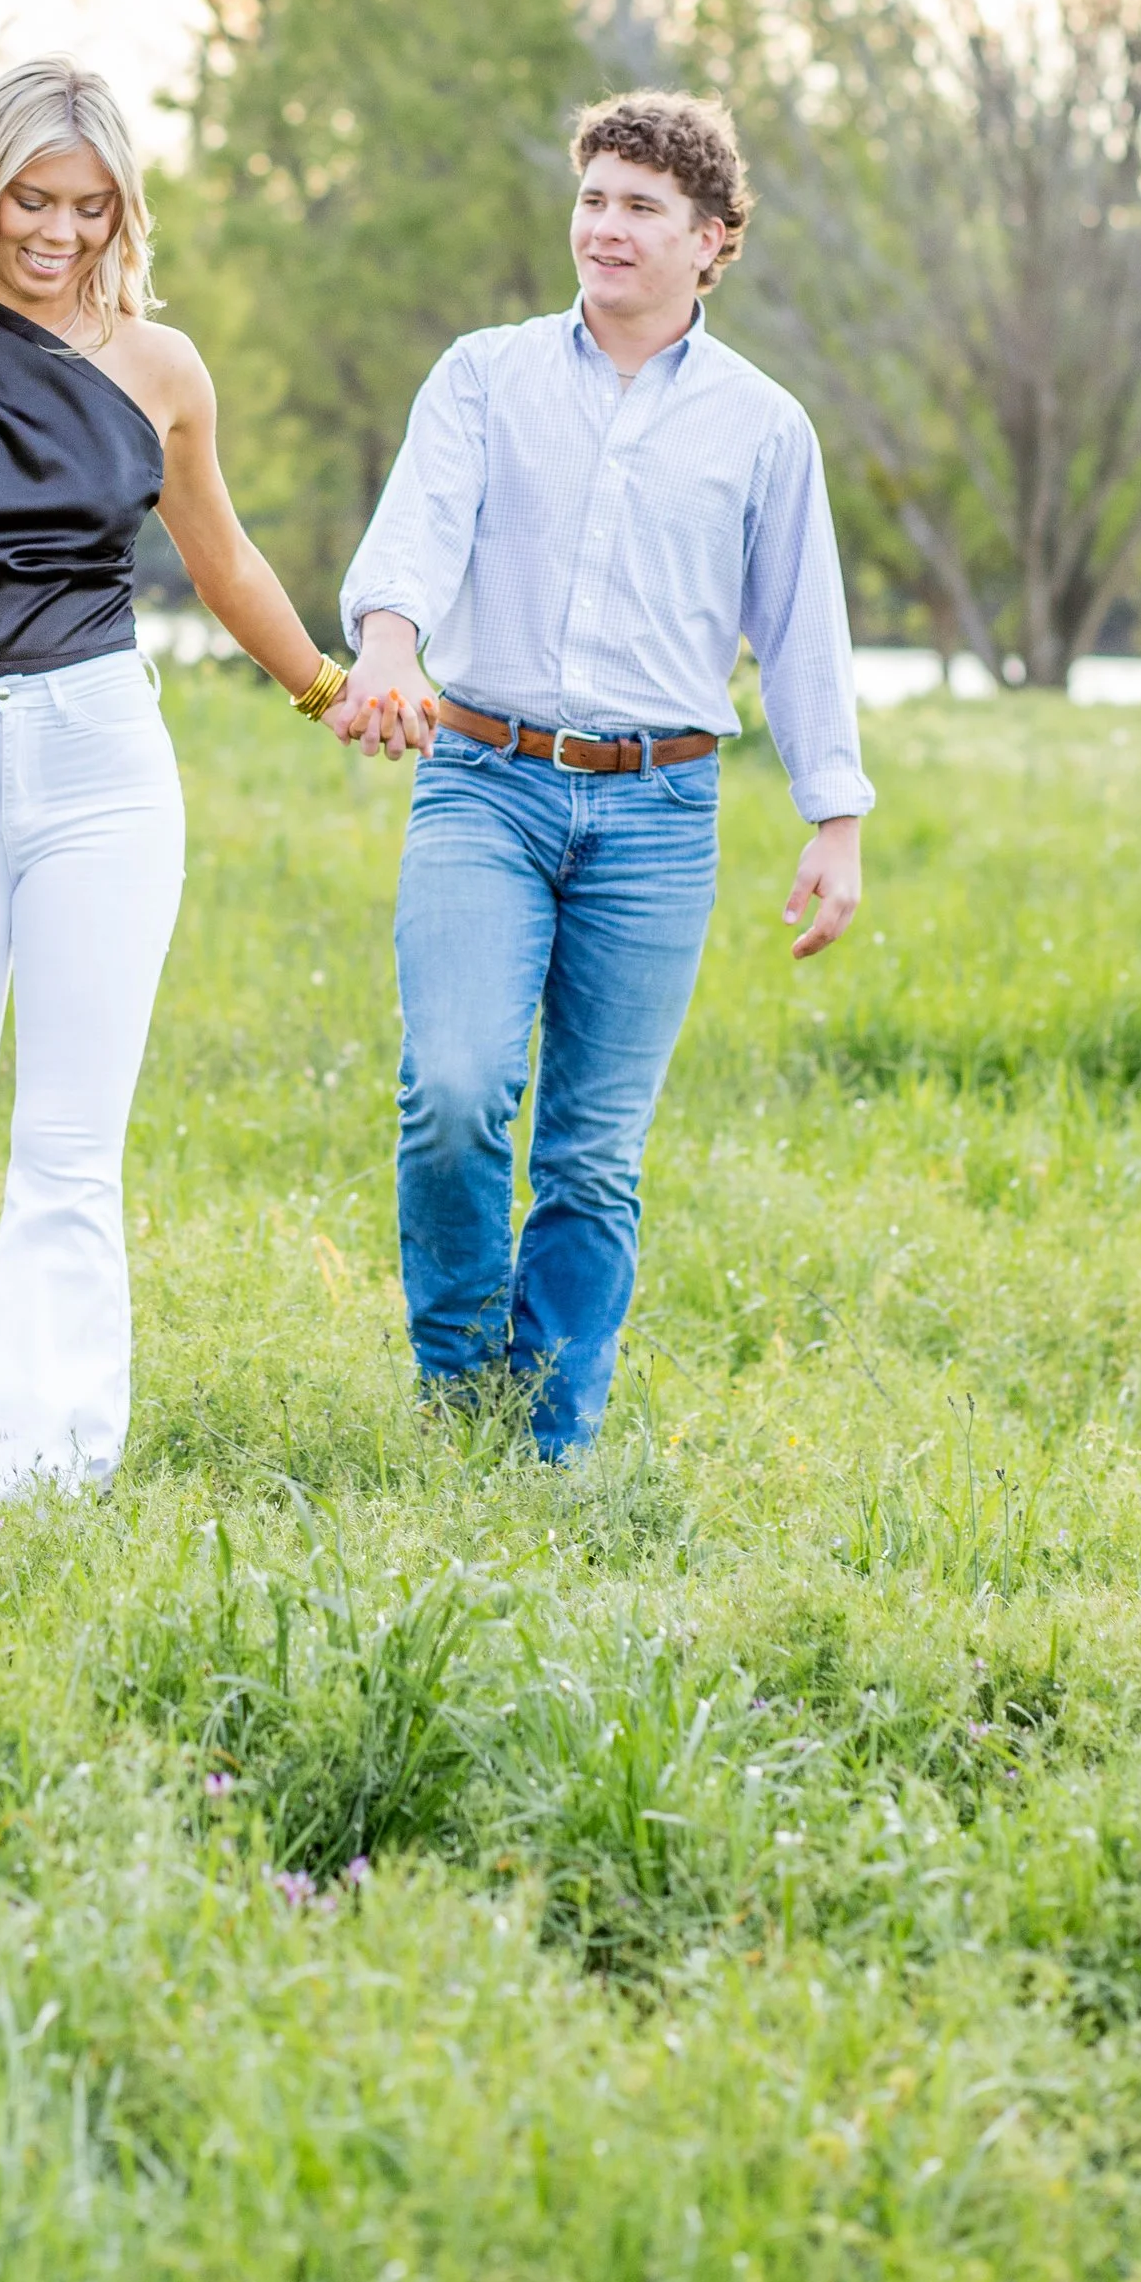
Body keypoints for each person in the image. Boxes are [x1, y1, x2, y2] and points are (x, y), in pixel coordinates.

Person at [0, 58, 395, 1492]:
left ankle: (31, 1472)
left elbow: (220, 555)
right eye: (31, 199)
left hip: (105, 762)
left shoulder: (163, 368)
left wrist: (328, 688)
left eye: (90, 206)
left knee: (67, 1158)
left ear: (124, 209)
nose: (58, 231)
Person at [332, 89, 872, 1459]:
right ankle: (460, 1395)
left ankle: (553, 1434)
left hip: (658, 810)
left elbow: (804, 630)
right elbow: (415, 536)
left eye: (642, 207)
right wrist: (389, 649)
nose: (607, 228)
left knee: (589, 1153)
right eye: (593, 199)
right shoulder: (485, 373)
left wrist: (836, 817)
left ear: (714, 239)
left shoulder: (764, 428)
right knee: (453, 1090)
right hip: (485, 778)